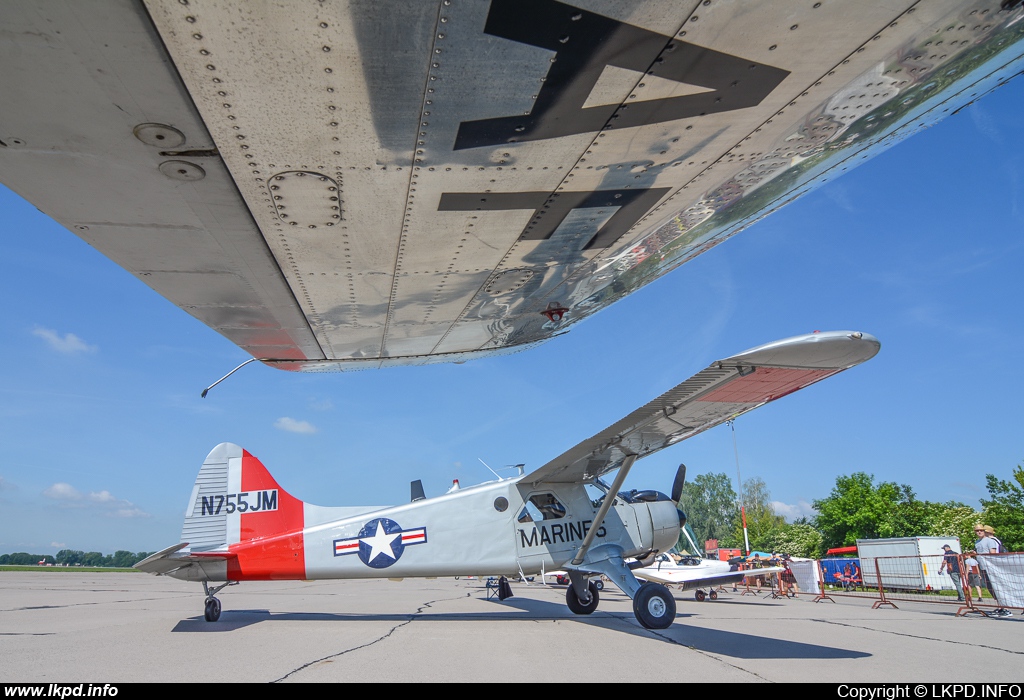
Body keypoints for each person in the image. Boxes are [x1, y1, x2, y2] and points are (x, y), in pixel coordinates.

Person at [975, 524, 1012, 617]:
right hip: (983, 567)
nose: (979, 532)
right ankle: (1000, 607)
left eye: (981, 530)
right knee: (991, 588)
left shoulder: (990, 541)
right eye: (977, 531)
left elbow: (993, 554)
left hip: (991, 567)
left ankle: (1006, 608)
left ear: (985, 531)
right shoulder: (977, 542)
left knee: (998, 587)